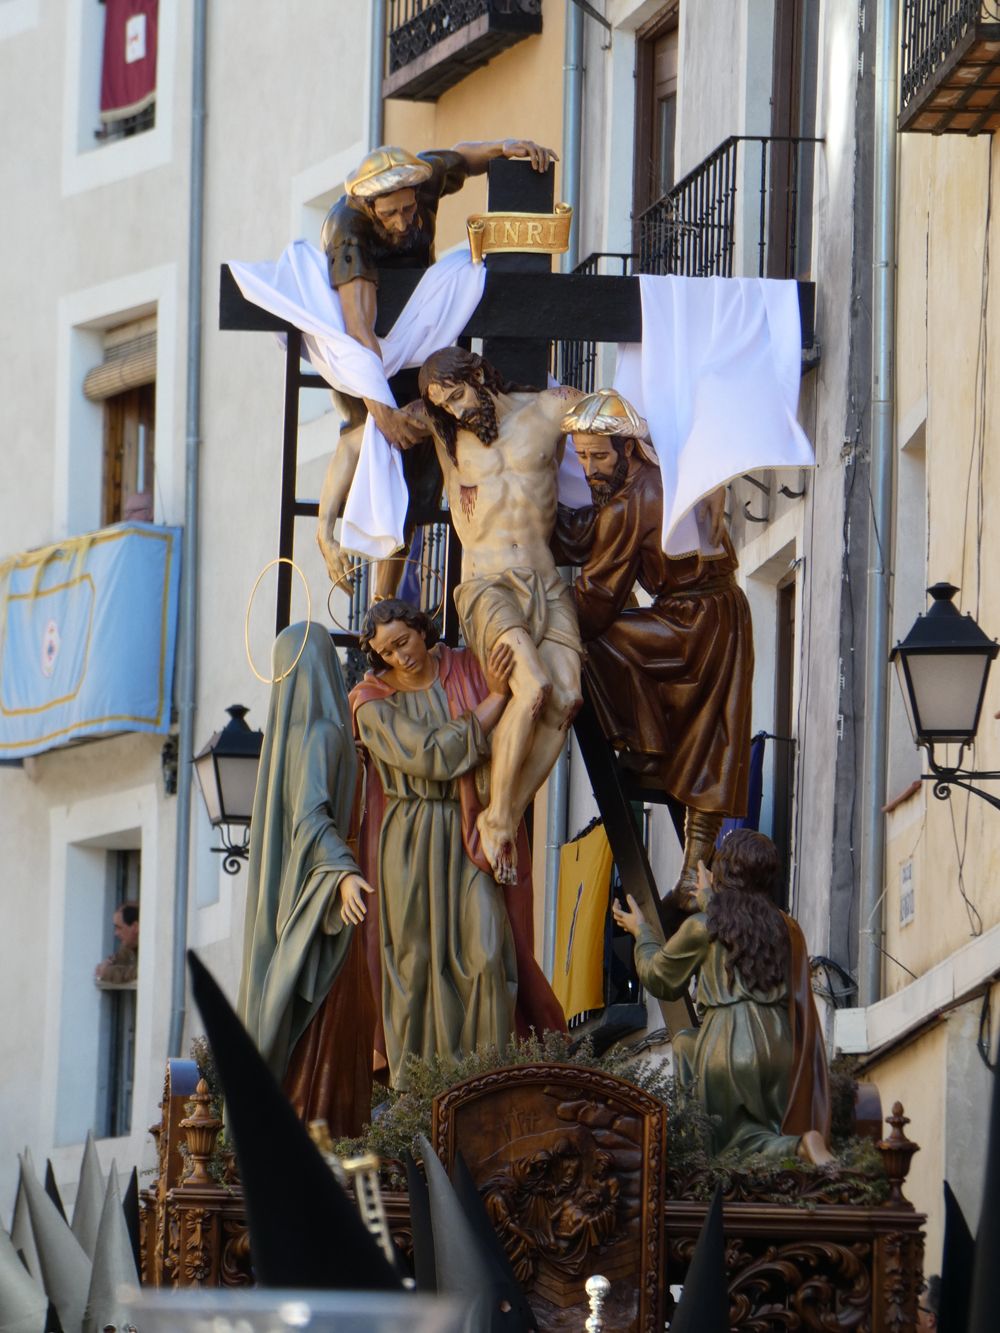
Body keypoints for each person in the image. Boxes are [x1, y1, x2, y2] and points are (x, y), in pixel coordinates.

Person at [316, 137, 557, 586]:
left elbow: (463, 156)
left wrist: (505, 148)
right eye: (390, 213)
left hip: (422, 331)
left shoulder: (424, 179)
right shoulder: (347, 229)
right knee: (366, 437)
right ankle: (327, 533)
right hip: (369, 353)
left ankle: (384, 601)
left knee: (415, 474)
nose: (403, 221)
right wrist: (381, 410)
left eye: (408, 209)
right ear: (369, 208)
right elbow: (360, 326)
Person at [555, 388, 754, 899]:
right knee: (710, 734)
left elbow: (598, 598)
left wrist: (548, 619)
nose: (590, 469)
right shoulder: (646, 480)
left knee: (591, 641)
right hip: (716, 614)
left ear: (628, 449)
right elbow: (595, 531)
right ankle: (692, 867)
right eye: (581, 457)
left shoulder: (636, 498)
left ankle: (646, 746)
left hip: (693, 623)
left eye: (599, 456)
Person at [417, 347, 584, 884]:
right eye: (445, 404)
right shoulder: (444, 433)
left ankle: (502, 814)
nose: (457, 410)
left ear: (479, 373)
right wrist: (328, 526)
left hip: (546, 579)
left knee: (567, 699)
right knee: (533, 688)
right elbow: (371, 430)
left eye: (458, 395)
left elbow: (614, 420)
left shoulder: (550, 408)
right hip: (486, 585)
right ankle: (498, 819)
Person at [349, 599, 520, 1089]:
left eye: (403, 642)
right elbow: (429, 755)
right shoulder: (370, 702)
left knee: (487, 950)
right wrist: (496, 701)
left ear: (422, 629)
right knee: (415, 962)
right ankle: (419, 1096)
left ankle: (488, 1084)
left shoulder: (466, 667)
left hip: (469, 830)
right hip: (410, 837)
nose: (399, 656)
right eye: (386, 652)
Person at [612, 829, 833, 1164]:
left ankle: (799, 1146)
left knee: (736, 1150)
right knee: (768, 1134)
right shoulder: (786, 928)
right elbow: (741, 924)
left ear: (723, 872)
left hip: (727, 1040)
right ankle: (797, 1147)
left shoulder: (703, 926)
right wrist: (710, 897)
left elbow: (660, 977)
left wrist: (641, 931)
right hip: (781, 1044)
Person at [237, 622, 377, 1135]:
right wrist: (343, 875)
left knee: (322, 1022)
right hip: (328, 898)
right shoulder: (321, 733)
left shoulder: (293, 740)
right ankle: (322, 1131)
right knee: (330, 1021)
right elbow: (311, 819)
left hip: (308, 891)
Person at [94, 902, 139, 983]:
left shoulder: (151, 947)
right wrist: (105, 967)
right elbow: (113, 962)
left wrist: (108, 972)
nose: (116, 933)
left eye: (119, 928)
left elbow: (141, 972)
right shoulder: (127, 948)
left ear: (135, 927)